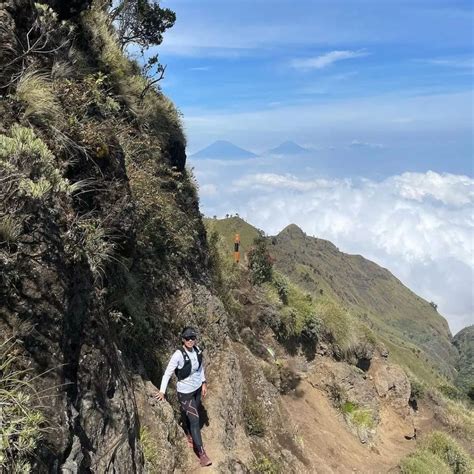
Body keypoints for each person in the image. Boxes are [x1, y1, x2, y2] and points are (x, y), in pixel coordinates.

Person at [155, 326, 212, 467]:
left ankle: (188, 432)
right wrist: (162, 391)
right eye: (187, 338)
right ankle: (202, 455)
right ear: (182, 339)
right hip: (185, 392)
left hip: (197, 389)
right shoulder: (178, 355)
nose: (190, 341)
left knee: (192, 415)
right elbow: (168, 373)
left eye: (193, 338)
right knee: (195, 420)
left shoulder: (197, 350)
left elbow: (200, 368)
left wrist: (204, 383)